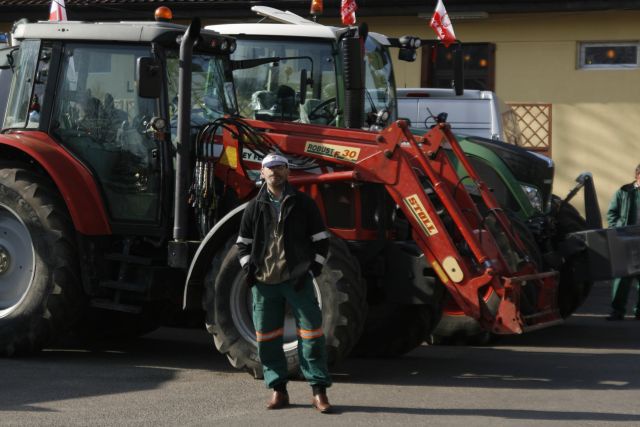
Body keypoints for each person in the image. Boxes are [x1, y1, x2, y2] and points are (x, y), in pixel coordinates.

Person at [235, 153, 333, 413]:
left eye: (280, 168)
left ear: (288, 173)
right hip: (264, 283)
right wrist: (249, 272)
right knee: (267, 339)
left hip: (297, 280)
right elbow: (242, 244)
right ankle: (279, 391)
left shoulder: (303, 204)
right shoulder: (253, 208)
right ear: (262, 172)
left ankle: (318, 392)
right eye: (270, 168)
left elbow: (322, 240)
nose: (275, 172)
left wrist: (312, 271)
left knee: (312, 336)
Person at [606, 163, 640, 320]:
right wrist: (616, 229)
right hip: (625, 238)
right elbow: (612, 213)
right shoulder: (624, 191)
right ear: (637, 175)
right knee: (622, 277)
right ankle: (617, 311)